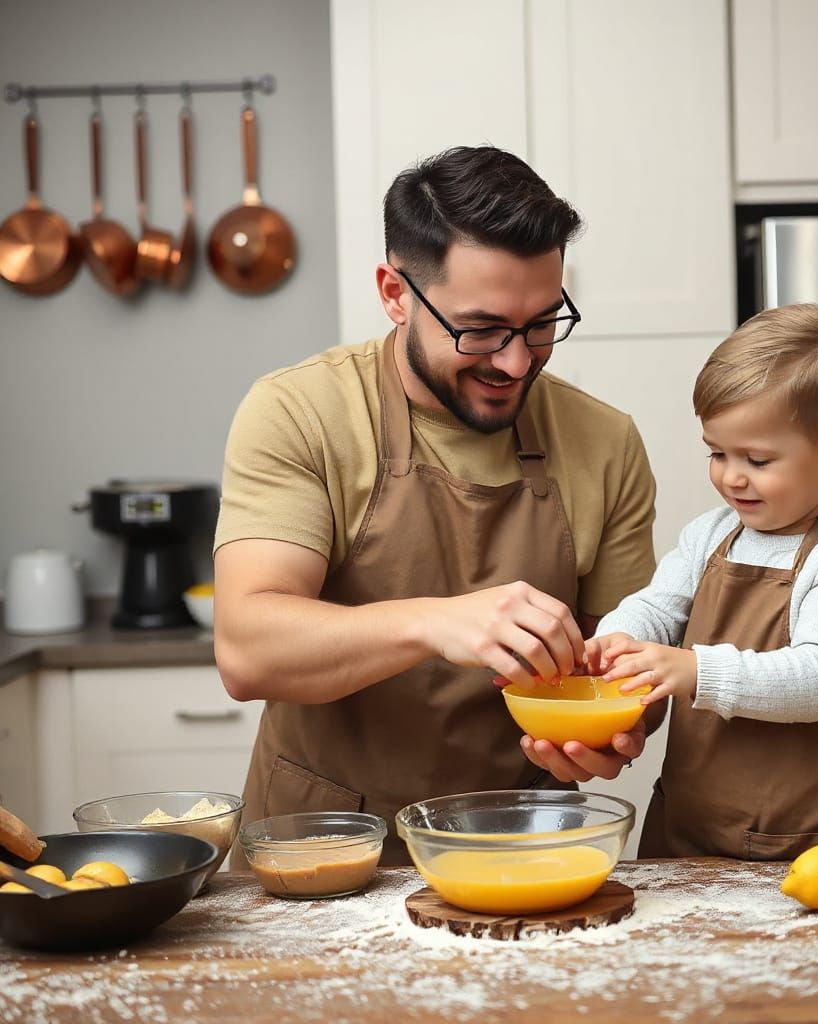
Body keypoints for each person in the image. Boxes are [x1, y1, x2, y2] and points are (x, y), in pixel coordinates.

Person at [213, 146, 658, 865]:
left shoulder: (605, 442)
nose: (516, 362)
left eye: (543, 322)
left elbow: (634, 656)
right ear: (395, 292)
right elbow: (245, 648)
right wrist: (436, 620)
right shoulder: (300, 412)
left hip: (523, 845)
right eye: (479, 329)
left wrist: (613, 728)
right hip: (322, 853)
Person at [582, 304, 818, 860]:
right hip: (690, 824)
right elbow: (659, 606)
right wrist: (619, 637)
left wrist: (695, 669)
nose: (731, 476)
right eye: (717, 452)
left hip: (807, 838)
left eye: (756, 458)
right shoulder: (711, 534)